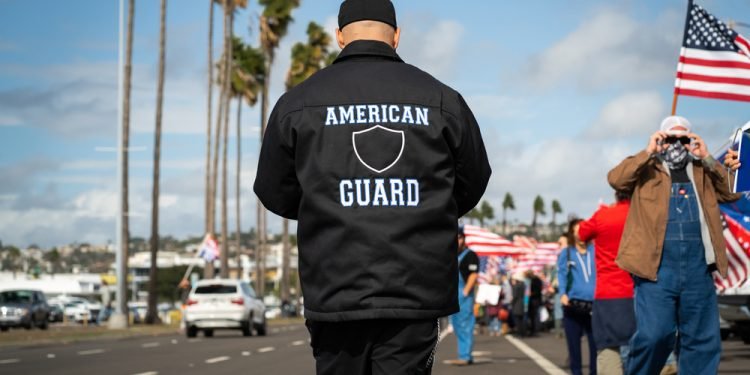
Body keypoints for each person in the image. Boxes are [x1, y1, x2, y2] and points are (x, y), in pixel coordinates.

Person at [253, 0, 492, 373]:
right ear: (396, 37)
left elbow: (273, 188)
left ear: (339, 37)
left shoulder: (298, 103)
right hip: (415, 287)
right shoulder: (442, 100)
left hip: (334, 286)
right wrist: (422, 207)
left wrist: (326, 206)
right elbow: (473, 180)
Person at [607, 116, 741, 375]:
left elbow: (732, 193)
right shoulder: (646, 167)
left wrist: (710, 159)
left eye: (684, 138)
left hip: (699, 269)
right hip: (656, 270)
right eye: (671, 138)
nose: (677, 144)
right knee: (654, 335)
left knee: (701, 342)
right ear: (660, 138)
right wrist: (648, 151)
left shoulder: (703, 169)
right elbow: (616, 180)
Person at [577, 189, 634, 375]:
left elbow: (582, 233)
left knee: (609, 350)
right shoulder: (643, 214)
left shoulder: (604, 215)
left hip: (609, 293)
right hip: (640, 292)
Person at [558, 219, 597, 375]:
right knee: (574, 349)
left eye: (583, 230)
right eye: (577, 231)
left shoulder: (595, 250)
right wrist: (562, 293)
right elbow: (561, 274)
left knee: (596, 347)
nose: (580, 234)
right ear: (572, 234)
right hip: (573, 305)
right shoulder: (567, 253)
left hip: (595, 306)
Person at [446, 228, 480, 365]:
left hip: (464, 295)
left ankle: (465, 356)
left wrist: (466, 291)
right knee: (457, 325)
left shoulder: (470, 255)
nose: (457, 241)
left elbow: (473, 275)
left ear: (464, 239)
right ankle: (464, 355)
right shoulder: (452, 255)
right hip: (453, 295)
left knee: (465, 325)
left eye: (459, 238)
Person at [510, 272, 527, 337]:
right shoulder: (523, 285)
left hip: (517, 304)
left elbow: (515, 296)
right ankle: (523, 332)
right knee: (521, 319)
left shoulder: (516, 286)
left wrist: (511, 302)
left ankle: (519, 332)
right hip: (522, 303)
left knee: (518, 320)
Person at [527, 270, 543, 336]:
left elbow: (537, 291)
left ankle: (535, 330)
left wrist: (532, 293)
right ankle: (534, 330)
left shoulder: (535, 280)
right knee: (533, 316)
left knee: (535, 316)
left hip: (535, 300)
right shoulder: (535, 280)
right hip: (534, 300)